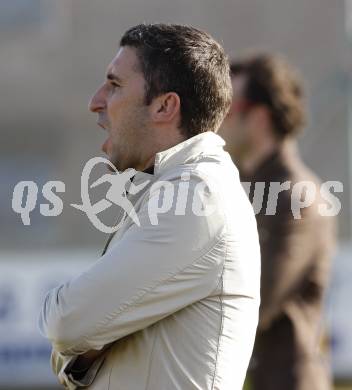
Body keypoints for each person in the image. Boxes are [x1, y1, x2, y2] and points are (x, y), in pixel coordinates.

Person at [39, 24, 261, 390]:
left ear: (164, 105)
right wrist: (81, 341)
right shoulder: (179, 188)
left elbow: (65, 324)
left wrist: (77, 333)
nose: (96, 101)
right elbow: (72, 343)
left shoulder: (196, 195)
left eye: (114, 85)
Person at [219, 53, 335, 390]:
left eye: (229, 108)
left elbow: (257, 300)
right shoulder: (236, 185)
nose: (219, 119)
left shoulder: (299, 196)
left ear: (259, 117)